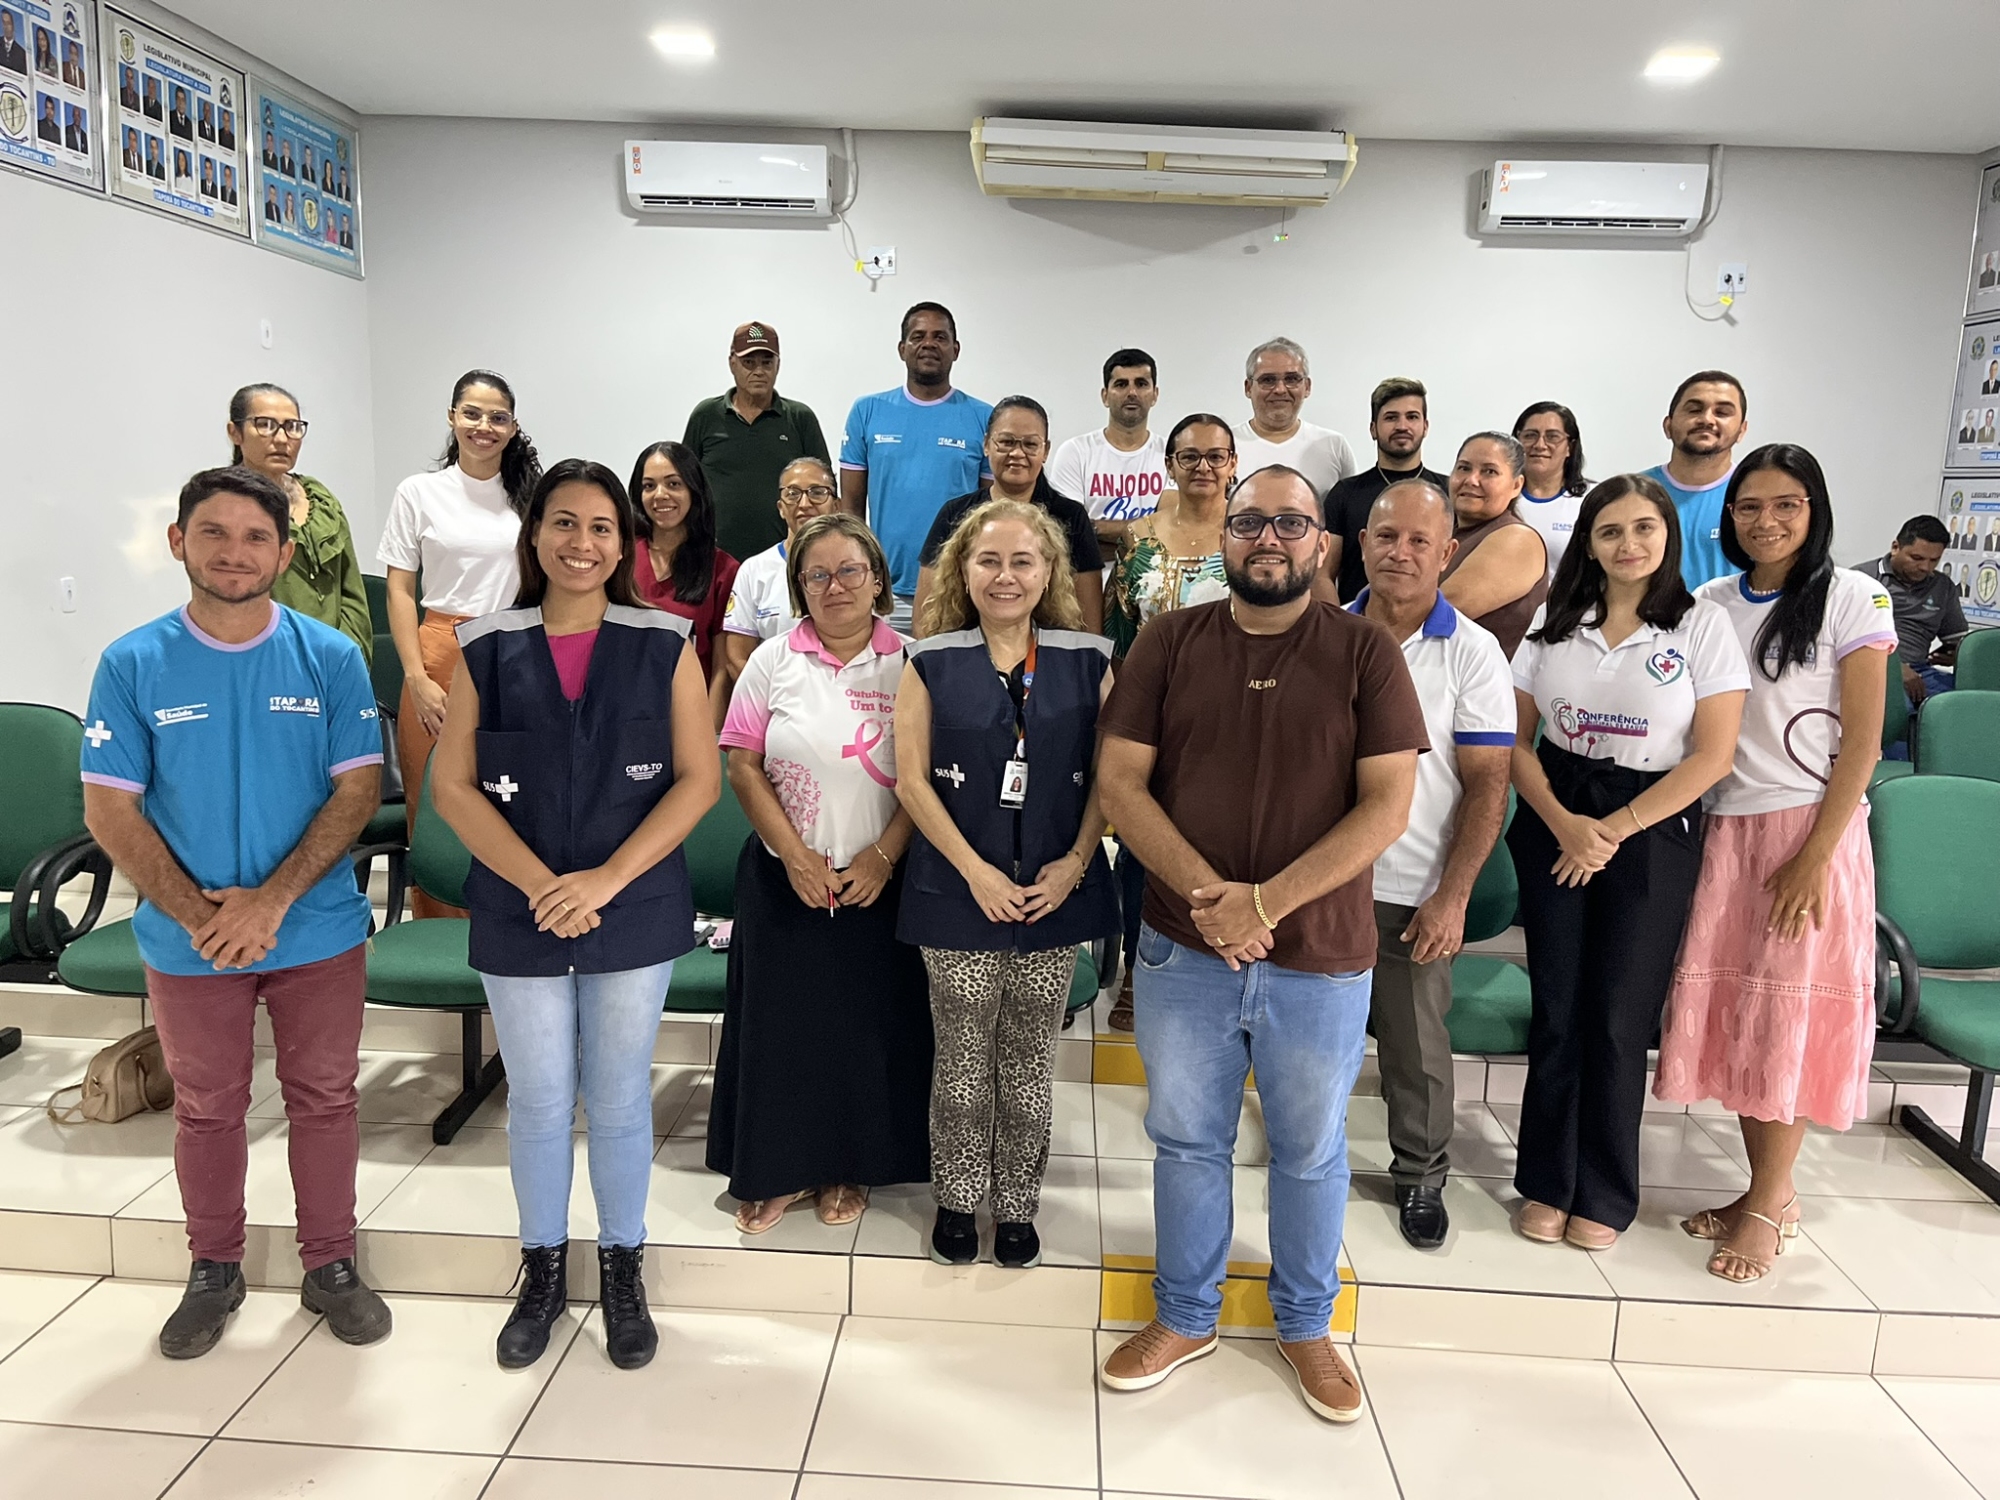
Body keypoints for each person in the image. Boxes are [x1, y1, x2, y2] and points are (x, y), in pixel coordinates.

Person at [1095, 465, 1426, 1425]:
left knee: (1310, 1150)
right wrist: (1213, 904)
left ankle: (1307, 1325)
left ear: (1322, 542)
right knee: (1186, 1141)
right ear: (1224, 538)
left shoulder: (1366, 653)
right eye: (1249, 522)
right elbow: (1120, 787)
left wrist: (1264, 904)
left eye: (1290, 522)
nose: (1269, 538)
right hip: (1183, 951)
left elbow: (1387, 807)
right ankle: (1184, 1314)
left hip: (1319, 956)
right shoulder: (1169, 641)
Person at [80, 465, 393, 1361]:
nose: (234, 552)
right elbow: (110, 810)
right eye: (213, 533)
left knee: (324, 1100)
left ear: (284, 554)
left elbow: (357, 792)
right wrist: (202, 916)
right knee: (207, 1109)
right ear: (178, 542)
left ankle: (330, 1263)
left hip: (315, 928)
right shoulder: (132, 662)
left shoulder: (330, 657)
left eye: (257, 537)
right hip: (190, 940)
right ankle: (213, 1268)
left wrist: (273, 901)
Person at [433, 459, 719, 1371]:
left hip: (630, 905)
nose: (582, 543)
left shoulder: (665, 643)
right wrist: (539, 884)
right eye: (563, 523)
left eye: (601, 526)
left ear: (623, 543)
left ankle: (624, 1269)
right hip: (518, 906)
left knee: (621, 1095)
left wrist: (601, 882)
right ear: (535, 534)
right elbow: (452, 787)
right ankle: (544, 1272)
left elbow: (698, 781)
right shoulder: (485, 646)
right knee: (540, 1098)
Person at [1654, 446, 1896, 1281]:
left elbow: (1863, 743)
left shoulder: (1851, 597)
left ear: (1814, 510)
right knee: (1745, 1016)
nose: (1767, 521)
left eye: (1786, 504)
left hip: (1808, 833)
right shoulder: (1712, 602)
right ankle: (1766, 1189)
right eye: (1750, 506)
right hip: (1727, 829)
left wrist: (1815, 856)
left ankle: (1767, 1205)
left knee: (1786, 1016)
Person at [1507, 474, 1749, 1252]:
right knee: (1559, 1007)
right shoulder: (1555, 618)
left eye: (1645, 528)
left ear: (1667, 537)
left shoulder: (1701, 625)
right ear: (1589, 541)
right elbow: (1514, 740)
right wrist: (1564, 825)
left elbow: (1713, 756)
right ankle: (1546, 1181)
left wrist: (1609, 832)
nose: (1628, 544)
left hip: (1652, 822)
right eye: (1610, 531)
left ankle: (1605, 1192)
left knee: (1619, 1015)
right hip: (1557, 811)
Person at [897, 500, 1119, 1267]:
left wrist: (1077, 862)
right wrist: (975, 872)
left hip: (1055, 893)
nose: (1005, 576)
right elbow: (912, 782)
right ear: (962, 570)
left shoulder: (1090, 660)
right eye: (988, 560)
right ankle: (958, 1201)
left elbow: (1113, 777)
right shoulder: (928, 660)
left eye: (1023, 560)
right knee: (962, 1061)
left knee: (1028, 1063)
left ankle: (1018, 1205)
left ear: (1049, 570)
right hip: (958, 891)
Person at [710, 512, 930, 1232]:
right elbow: (742, 765)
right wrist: (798, 857)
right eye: (817, 575)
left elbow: (926, 780)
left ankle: (848, 1166)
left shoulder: (912, 663)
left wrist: (884, 855)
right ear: (799, 588)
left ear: (878, 580)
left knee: (865, 1030)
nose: (835, 586)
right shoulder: (773, 660)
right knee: (781, 1031)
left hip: (879, 880)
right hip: (785, 877)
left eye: (850, 571)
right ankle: (777, 1170)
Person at [1349, 479, 1514, 1249]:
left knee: (1416, 1049)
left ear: (1447, 553)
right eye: (1387, 537)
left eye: (1420, 541)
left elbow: (1487, 786)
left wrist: (1453, 895)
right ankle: (1308, 1157)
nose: (1401, 552)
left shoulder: (1472, 653)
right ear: (1362, 544)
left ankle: (1420, 1175)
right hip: (1321, 882)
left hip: (1412, 887)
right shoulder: (1322, 631)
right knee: (1306, 1040)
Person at [378, 370, 540, 917]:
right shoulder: (419, 492)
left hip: (517, 652)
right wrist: (416, 676)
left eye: (497, 417)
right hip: (440, 652)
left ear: (513, 427)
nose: (483, 426)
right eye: (471, 413)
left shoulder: (530, 497)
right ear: (452, 417)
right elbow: (400, 590)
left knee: (513, 796)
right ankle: (440, 931)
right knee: (436, 803)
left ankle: (515, 925)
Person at [1103, 413, 1237, 1029]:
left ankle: (1216, 959)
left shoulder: (1248, 534)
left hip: (1231, 718)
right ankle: (1139, 968)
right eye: (1190, 457)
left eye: (1215, 456)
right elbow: (1119, 635)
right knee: (1142, 843)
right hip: (1149, 720)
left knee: (1219, 837)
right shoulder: (1138, 539)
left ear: (1233, 463)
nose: (1203, 467)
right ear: (1169, 465)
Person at [840, 303, 993, 630]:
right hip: (883, 593)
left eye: (940, 337)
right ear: (902, 348)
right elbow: (851, 507)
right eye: (918, 336)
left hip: (954, 591)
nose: (929, 344)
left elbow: (991, 510)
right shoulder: (867, 411)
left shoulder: (984, 418)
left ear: (956, 349)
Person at [913, 396, 1104, 635]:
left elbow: (1089, 624)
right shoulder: (955, 515)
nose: (1017, 453)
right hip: (963, 650)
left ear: (1046, 451)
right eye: (1006, 442)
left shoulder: (1071, 517)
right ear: (986, 444)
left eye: (1030, 444)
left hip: (1050, 653)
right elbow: (925, 619)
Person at [227, 383, 371, 664]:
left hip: (335, 658)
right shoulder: (223, 504)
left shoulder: (320, 497)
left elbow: (351, 590)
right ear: (235, 432)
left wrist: (348, 658)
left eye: (292, 427)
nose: (282, 439)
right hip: (265, 661)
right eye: (265, 425)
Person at [679, 321, 832, 564]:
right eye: (749, 362)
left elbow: (824, 490)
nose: (759, 371)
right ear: (732, 363)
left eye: (767, 362)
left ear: (778, 365)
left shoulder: (800, 418)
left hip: (785, 560)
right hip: (714, 561)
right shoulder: (706, 416)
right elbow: (684, 485)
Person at [715, 456, 841, 718]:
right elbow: (737, 657)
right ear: (781, 508)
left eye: (817, 492)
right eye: (792, 494)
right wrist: (778, 704)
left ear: (836, 505)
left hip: (842, 706)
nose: (804, 504)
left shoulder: (856, 568)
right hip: (772, 709)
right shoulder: (754, 570)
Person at [1324, 378, 1450, 603]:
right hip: (1356, 621)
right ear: (1373, 429)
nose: (1402, 426)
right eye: (1391, 417)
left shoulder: (1449, 493)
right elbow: (1322, 575)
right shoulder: (1344, 494)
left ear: (1425, 426)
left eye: (1412, 417)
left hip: (1428, 622)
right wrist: (1338, 621)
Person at [627, 441, 739, 683]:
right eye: (649, 486)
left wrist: (709, 710)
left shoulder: (723, 569)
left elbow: (721, 668)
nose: (660, 495)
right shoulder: (621, 557)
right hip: (623, 700)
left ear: (693, 490)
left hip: (692, 700)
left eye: (673, 484)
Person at [1048, 348, 1170, 553]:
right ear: (1105, 396)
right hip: (1090, 573)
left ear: (1155, 395)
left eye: (1141, 384)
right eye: (1121, 384)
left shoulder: (1172, 454)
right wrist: (1144, 533)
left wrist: (1095, 527)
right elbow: (1068, 532)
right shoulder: (1075, 452)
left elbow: (1170, 528)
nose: (1132, 393)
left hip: (1156, 574)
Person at [1440, 432, 1547, 658]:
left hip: (1480, 679)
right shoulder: (1444, 533)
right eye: (1464, 468)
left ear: (1516, 485)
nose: (1471, 480)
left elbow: (1445, 609)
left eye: (1489, 471)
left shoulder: (1518, 539)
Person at [1644, 371, 1748, 592]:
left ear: (1742, 430)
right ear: (1668, 426)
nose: (1707, 420)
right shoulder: (1634, 494)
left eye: (1722, 412)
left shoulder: (1754, 496)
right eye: (1694, 410)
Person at [1858, 514, 1967, 710]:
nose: (1925, 567)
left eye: (1934, 560)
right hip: (1870, 667)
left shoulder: (1942, 587)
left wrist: (1955, 654)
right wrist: (1894, 667)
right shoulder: (1861, 579)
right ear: (1895, 547)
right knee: (1900, 707)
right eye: (1917, 558)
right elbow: (1838, 640)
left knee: (1968, 704)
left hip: (1921, 671)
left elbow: (1957, 640)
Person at [1232, 337, 1359, 501]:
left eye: (1291, 379)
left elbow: (1350, 511)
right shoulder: (1225, 446)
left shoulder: (1334, 446)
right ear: (1248, 388)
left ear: (1307, 387)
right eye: (1268, 380)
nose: (1280, 389)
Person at [1514, 401, 1589, 581]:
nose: (1540, 445)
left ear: (1570, 447)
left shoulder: (1590, 499)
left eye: (1552, 437)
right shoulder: (1499, 496)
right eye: (1530, 435)